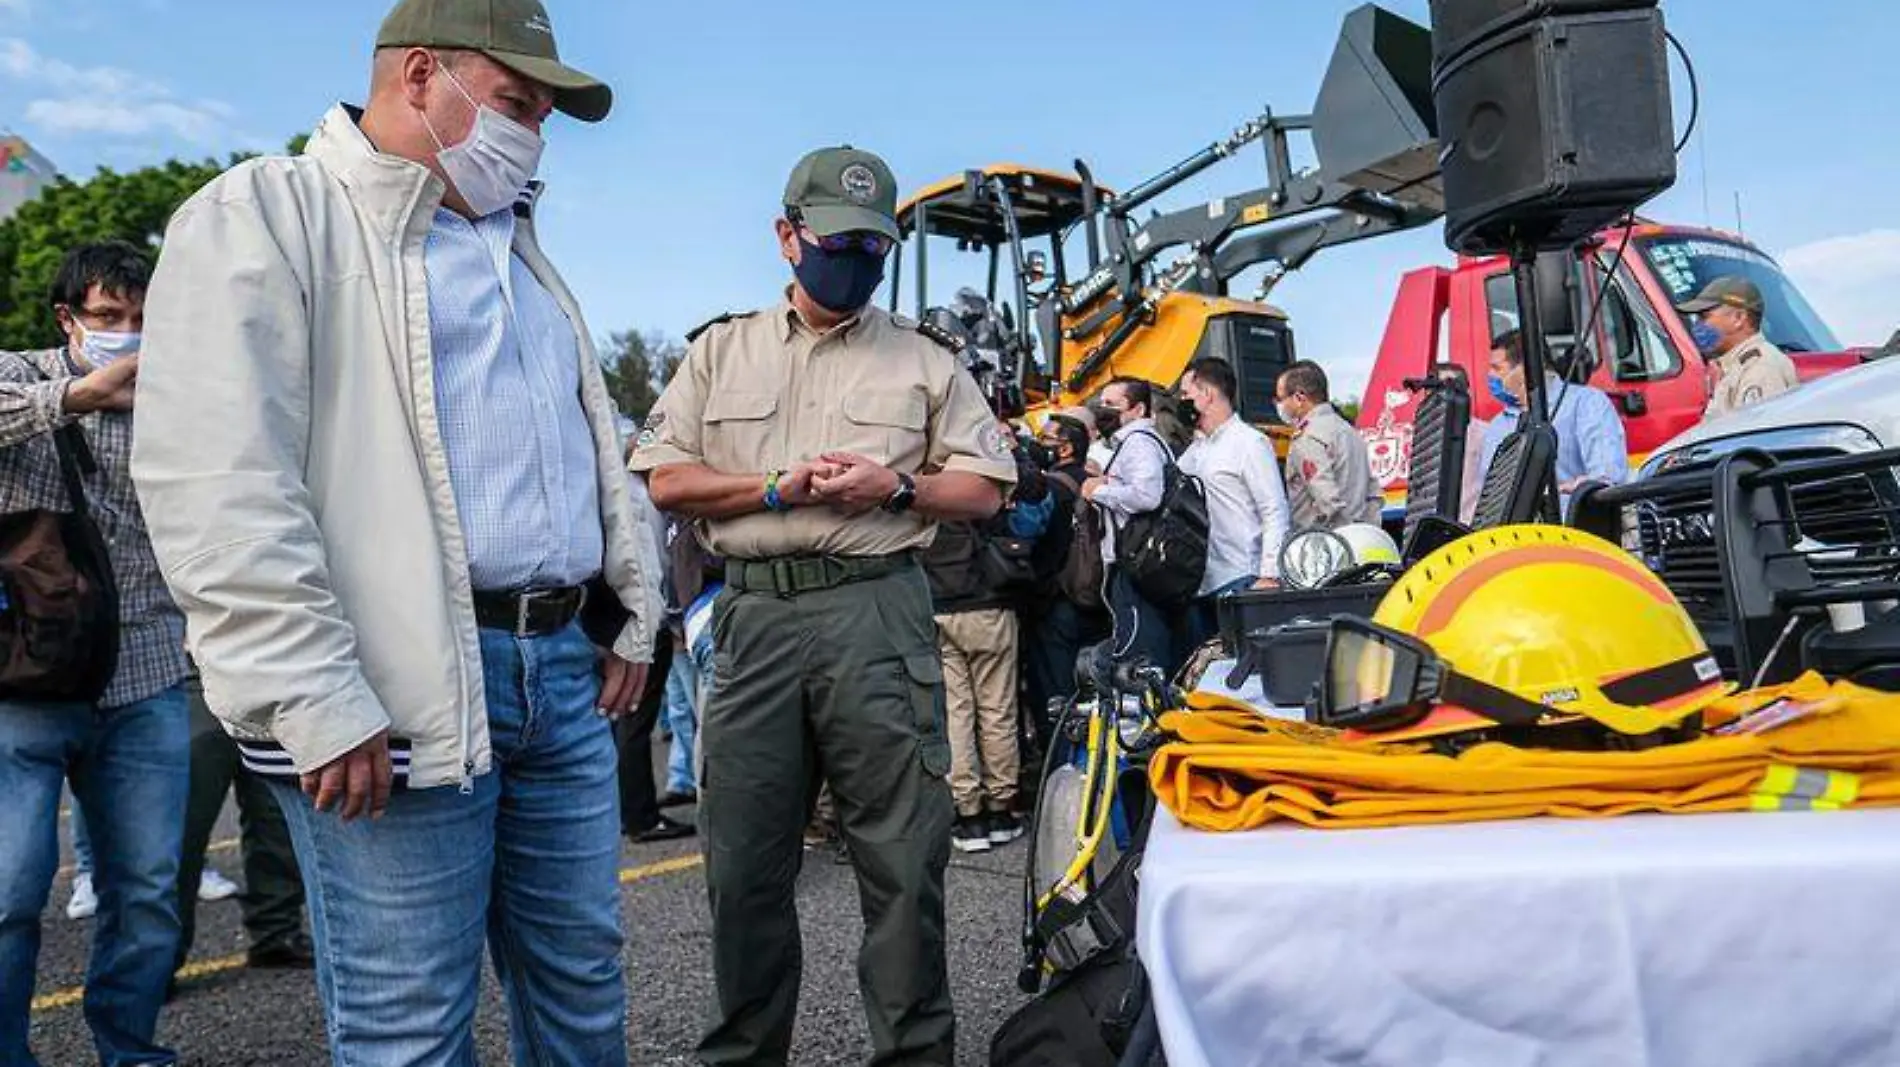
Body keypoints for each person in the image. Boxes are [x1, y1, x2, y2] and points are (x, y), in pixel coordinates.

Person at [131, 3, 664, 1063]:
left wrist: (628, 606)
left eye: (546, 115)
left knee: (582, 985)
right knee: (408, 1023)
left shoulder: (516, 249)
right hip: (395, 686)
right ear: (420, 74)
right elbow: (219, 482)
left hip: (553, 671)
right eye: (517, 103)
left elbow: (574, 452)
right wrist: (312, 689)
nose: (534, 133)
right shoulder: (267, 216)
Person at [632, 144, 1015, 1066]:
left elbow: (988, 486)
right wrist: (772, 488)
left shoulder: (925, 361)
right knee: (745, 867)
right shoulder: (720, 351)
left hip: (875, 610)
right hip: (756, 615)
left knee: (903, 863)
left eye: (874, 246)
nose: (856, 262)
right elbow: (664, 476)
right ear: (787, 236)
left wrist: (896, 486)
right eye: (839, 241)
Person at [0, 241, 191, 1067]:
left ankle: (132, 1048)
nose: (129, 335)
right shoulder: (23, 372)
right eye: (109, 317)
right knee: (10, 893)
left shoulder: (185, 392)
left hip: (148, 676)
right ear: (68, 318)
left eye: (145, 320)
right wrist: (78, 395)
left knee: (147, 895)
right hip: (25, 684)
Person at [923, 421, 1049, 854]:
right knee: (997, 709)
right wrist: (1008, 445)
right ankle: (1001, 806)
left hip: (938, 606)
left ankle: (967, 811)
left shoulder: (920, 479)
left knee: (956, 712)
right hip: (988, 603)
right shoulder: (975, 474)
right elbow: (1031, 483)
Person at [1177, 357, 1290, 649]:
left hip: (1241, 578)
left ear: (1207, 394)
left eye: (1186, 394)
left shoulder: (1250, 443)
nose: (1181, 401)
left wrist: (1268, 575)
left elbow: (1274, 509)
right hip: (1200, 582)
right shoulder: (1196, 450)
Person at [1021, 410, 1108, 753]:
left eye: (1046, 439)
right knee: (1095, 692)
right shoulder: (1101, 486)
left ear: (1067, 448)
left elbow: (1028, 532)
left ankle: (1063, 770)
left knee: (1058, 697)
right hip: (1096, 596)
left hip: (1056, 601)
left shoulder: (1051, 489)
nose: (1038, 446)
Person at [1475, 330, 1628, 515]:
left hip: (1573, 532)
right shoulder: (1498, 426)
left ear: (1525, 368)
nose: (1490, 376)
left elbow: (1607, 475)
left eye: (1497, 368)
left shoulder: (1586, 404)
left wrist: (1584, 487)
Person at [1082, 377, 1177, 673]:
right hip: (1137, 560)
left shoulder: (1138, 443)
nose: (1103, 410)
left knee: (1138, 655)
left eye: (1112, 404)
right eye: (1102, 403)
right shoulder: (1134, 444)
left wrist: (1097, 491)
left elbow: (1147, 496)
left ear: (1137, 409)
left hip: (1137, 561)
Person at [1277, 360, 1382, 531]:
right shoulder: (1351, 433)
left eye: (1281, 398)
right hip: (1361, 539)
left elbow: (1326, 499)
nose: (1280, 406)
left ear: (1299, 398)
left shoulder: (1307, 439)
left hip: (1325, 544)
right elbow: (1374, 494)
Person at [1678, 276, 1799, 421]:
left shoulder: (1760, 369)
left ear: (1738, 318)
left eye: (1705, 317)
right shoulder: (1734, 367)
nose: (1698, 326)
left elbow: (1757, 436)